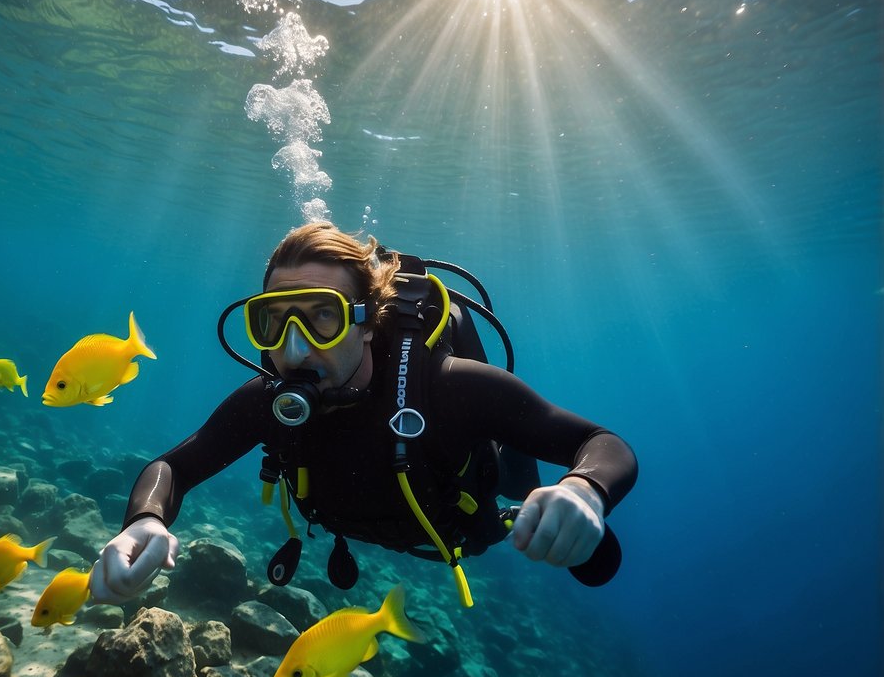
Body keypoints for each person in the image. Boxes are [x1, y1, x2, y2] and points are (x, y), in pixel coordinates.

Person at [88, 222, 637, 606]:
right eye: (274, 322)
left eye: (322, 318)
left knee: (563, 538)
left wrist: (584, 491)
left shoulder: (448, 389)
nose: (294, 350)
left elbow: (602, 443)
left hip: (464, 521)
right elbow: (174, 468)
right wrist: (144, 522)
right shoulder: (269, 402)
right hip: (361, 520)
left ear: (369, 322)